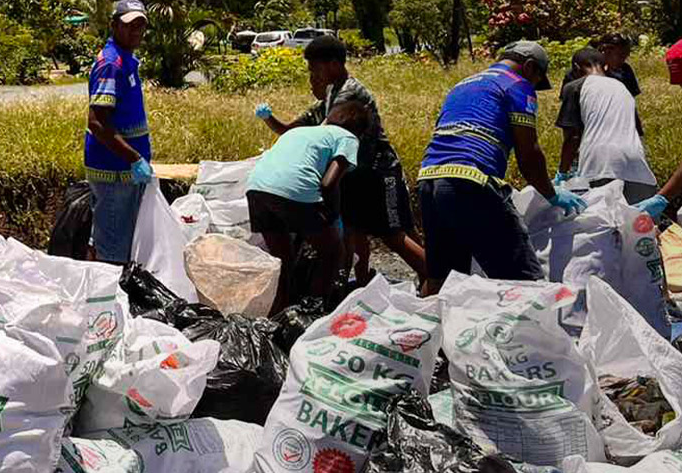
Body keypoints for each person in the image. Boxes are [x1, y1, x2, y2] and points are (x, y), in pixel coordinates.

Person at [416, 40, 587, 297]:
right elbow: (528, 154)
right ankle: (527, 336)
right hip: (470, 181)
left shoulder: (463, 84)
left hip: (429, 180)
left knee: (444, 280)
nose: (534, 88)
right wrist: (552, 194)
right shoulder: (517, 85)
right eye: (537, 80)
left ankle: (430, 332)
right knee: (523, 279)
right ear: (529, 67)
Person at [255, 35, 426, 287]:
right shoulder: (331, 92)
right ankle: (363, 278)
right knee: (354, 229)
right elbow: (294, 128)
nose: (313, 75)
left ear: (334, 64)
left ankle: (433, 277)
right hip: (354, 173)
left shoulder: (349, 93)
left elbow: (323, 134)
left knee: (393, 234)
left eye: (315, 69)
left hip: (379, 172)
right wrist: (269, 118)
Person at [246, 100, 371, 314]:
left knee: (284, 261)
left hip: (256, 189)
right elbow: (329, 182)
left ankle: (279, 314)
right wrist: (332, 218)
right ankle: (312, 311)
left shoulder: (302, 132)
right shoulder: (348, 138)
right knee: (332, 252)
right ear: (360, 132)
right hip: (294, 190)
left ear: (328, 119)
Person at [84, 0, 154, 263]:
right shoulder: (111, 64)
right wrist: (134, 159)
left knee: (107, 233)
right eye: (128, 25)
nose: (135, 31)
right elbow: (97, 122)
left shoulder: (126, 60)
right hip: (115, 171)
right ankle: (107, 299)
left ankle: (99, 288)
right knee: (113, 248)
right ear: (114, 25)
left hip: (123, 171)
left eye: (140, 26)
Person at [556, 46, 658, 205]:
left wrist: (562, 173)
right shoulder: (622, 87)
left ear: (576, 68)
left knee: (601, 224)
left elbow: (572, 136)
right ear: (605, 66)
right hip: (637, 164)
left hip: (600, 165)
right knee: (637, 226)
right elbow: (637, 127)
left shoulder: (575, 86)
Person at [598, 32, 641, 101]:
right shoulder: (595, 71)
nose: (624, 58)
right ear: (606, 51)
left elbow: (632, 96)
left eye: (626, 54)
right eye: (620, 55)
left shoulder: (625, 70)